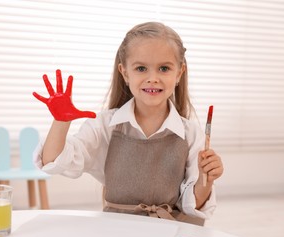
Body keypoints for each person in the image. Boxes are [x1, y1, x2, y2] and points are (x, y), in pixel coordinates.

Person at [32, 21, 224, 225]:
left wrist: (207, 179)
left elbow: (192, 205)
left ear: (179, 73)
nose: (153, 78)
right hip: (118, 231)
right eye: (141, 68)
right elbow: (54, 162)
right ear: (125, 73)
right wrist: (61, 121)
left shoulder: (191, 133)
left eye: (164, 68)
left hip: (172, 232)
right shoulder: (105, 125)